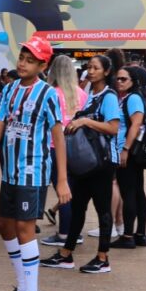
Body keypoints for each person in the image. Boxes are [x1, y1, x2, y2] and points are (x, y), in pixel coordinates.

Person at [0, 36, 69, 291]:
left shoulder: (48, 94)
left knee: (25, 229)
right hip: (11, 173)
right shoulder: (10, 89)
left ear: (43, 64)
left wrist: (62, 180)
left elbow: (58, 136)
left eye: (30, 60)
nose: (23, 63)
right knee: (5, 226)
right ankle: (23, 288)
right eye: (22, 57)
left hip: (34, 171)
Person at [41, 54, 118, 274]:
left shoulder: (108, 96)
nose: (90, 71)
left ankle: (103, 258)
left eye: (95, 68)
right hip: (87, 162)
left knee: (103, 209)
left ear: (105, 72)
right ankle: (66, 254)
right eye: (89, 67)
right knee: (77, 207)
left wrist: (84, 121)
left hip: (102, 162)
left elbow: (113, 127)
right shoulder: (90, 94)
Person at [41, 55, 87, 248]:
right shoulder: (82, 94)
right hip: (77, 148)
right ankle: (74, 231)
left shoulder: (50, 93)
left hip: (53, 146)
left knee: (63, 192)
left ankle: (64, 234)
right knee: (73, 192)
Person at [113, 66, 146, 248]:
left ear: (133, 81)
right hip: (132, 151)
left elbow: (136, 124)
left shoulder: (133, 98)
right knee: (137, 192)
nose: (119, 82)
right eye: (117, 79)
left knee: (130, 193)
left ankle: (128, 236)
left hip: (129, 152)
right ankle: (140, 234)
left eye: (123, 79)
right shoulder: (127, 98)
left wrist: (125, 149)